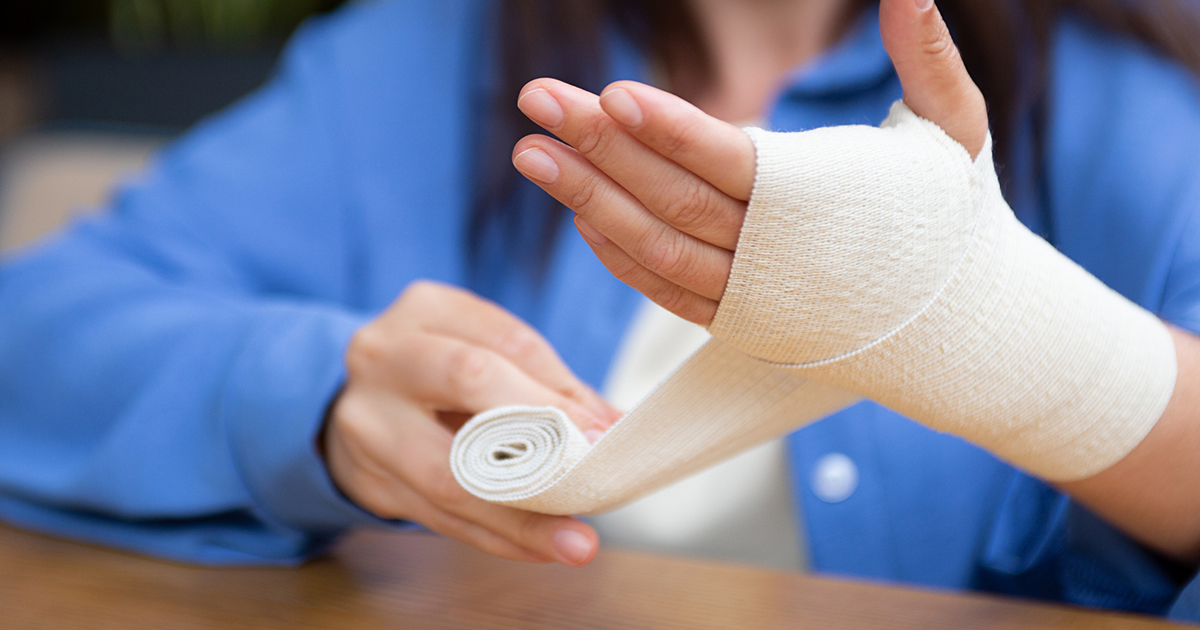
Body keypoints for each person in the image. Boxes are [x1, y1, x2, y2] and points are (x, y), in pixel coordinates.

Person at [0, 0, 1197, 621]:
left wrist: (997, 326)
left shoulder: (1130, 95)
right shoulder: (419, 58)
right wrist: (317, 398)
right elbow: (36, 329)